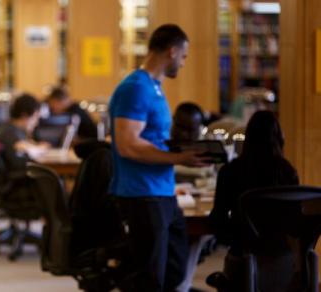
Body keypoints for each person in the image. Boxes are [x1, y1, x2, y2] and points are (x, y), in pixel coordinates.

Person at [108, 24, 208, 291]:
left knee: (174, 268)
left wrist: (182, 150)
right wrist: (178, 159)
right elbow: (128, 144)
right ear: (172, 51)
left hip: (161, 190)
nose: (184, 63)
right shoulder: (135, 88)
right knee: (151, 277)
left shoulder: (153, 88)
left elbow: (149, 138)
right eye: (184, 56)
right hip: (142, 193)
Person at [209, 110, 299, 255]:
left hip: (242, 254)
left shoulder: (230, 171)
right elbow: (294, 220)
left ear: (247, 138)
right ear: (280, 138)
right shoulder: (287, 172)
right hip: (280, 255)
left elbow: (218, 220)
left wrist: (235, 238)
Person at [0, 93, 49, 172]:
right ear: (24, 115)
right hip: (17, 178)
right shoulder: (8, 131)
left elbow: (25, 145)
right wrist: (40, 148)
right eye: (35, 117)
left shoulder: (14, 129)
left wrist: (35, 145)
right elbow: (23, 147)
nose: (36, 122)